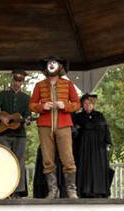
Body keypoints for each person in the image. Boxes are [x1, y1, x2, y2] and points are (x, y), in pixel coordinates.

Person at [29, 56, 80, 199]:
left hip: (64, 125)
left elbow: (77, 104)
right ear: (46, 69)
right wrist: (42, 106)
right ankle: (53, 190)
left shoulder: (68, 84)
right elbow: (32, 105)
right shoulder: (39, 85)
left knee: (68, 158)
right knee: (47, 159)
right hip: (44, 126)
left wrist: (66, 106)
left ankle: (71, 190)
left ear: (60, 68)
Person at [0, 69, 31, 198]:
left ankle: (18, 192)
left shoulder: (26, 98)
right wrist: (0, 118)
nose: (18, 83)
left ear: (23, 82)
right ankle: (4, 189)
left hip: (20, 134)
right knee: (4, 160)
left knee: (19, 162)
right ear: (12, 80)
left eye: (20, 81)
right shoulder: (3, 94)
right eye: (16, 80)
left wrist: (28, 119)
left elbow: (28, 115)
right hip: (4, 133)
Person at [73, 93, 113, 198]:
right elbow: (74, 132)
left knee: (98, 167)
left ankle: (99, 190)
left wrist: (107, 143)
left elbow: (105, 130)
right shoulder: (78, 117)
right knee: (85, 167)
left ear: (93, 104)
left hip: (98, 147)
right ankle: (85, 190)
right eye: (85, 104)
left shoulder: (99, 115)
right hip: (84, 147)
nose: (87, 106)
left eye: (89, 103)